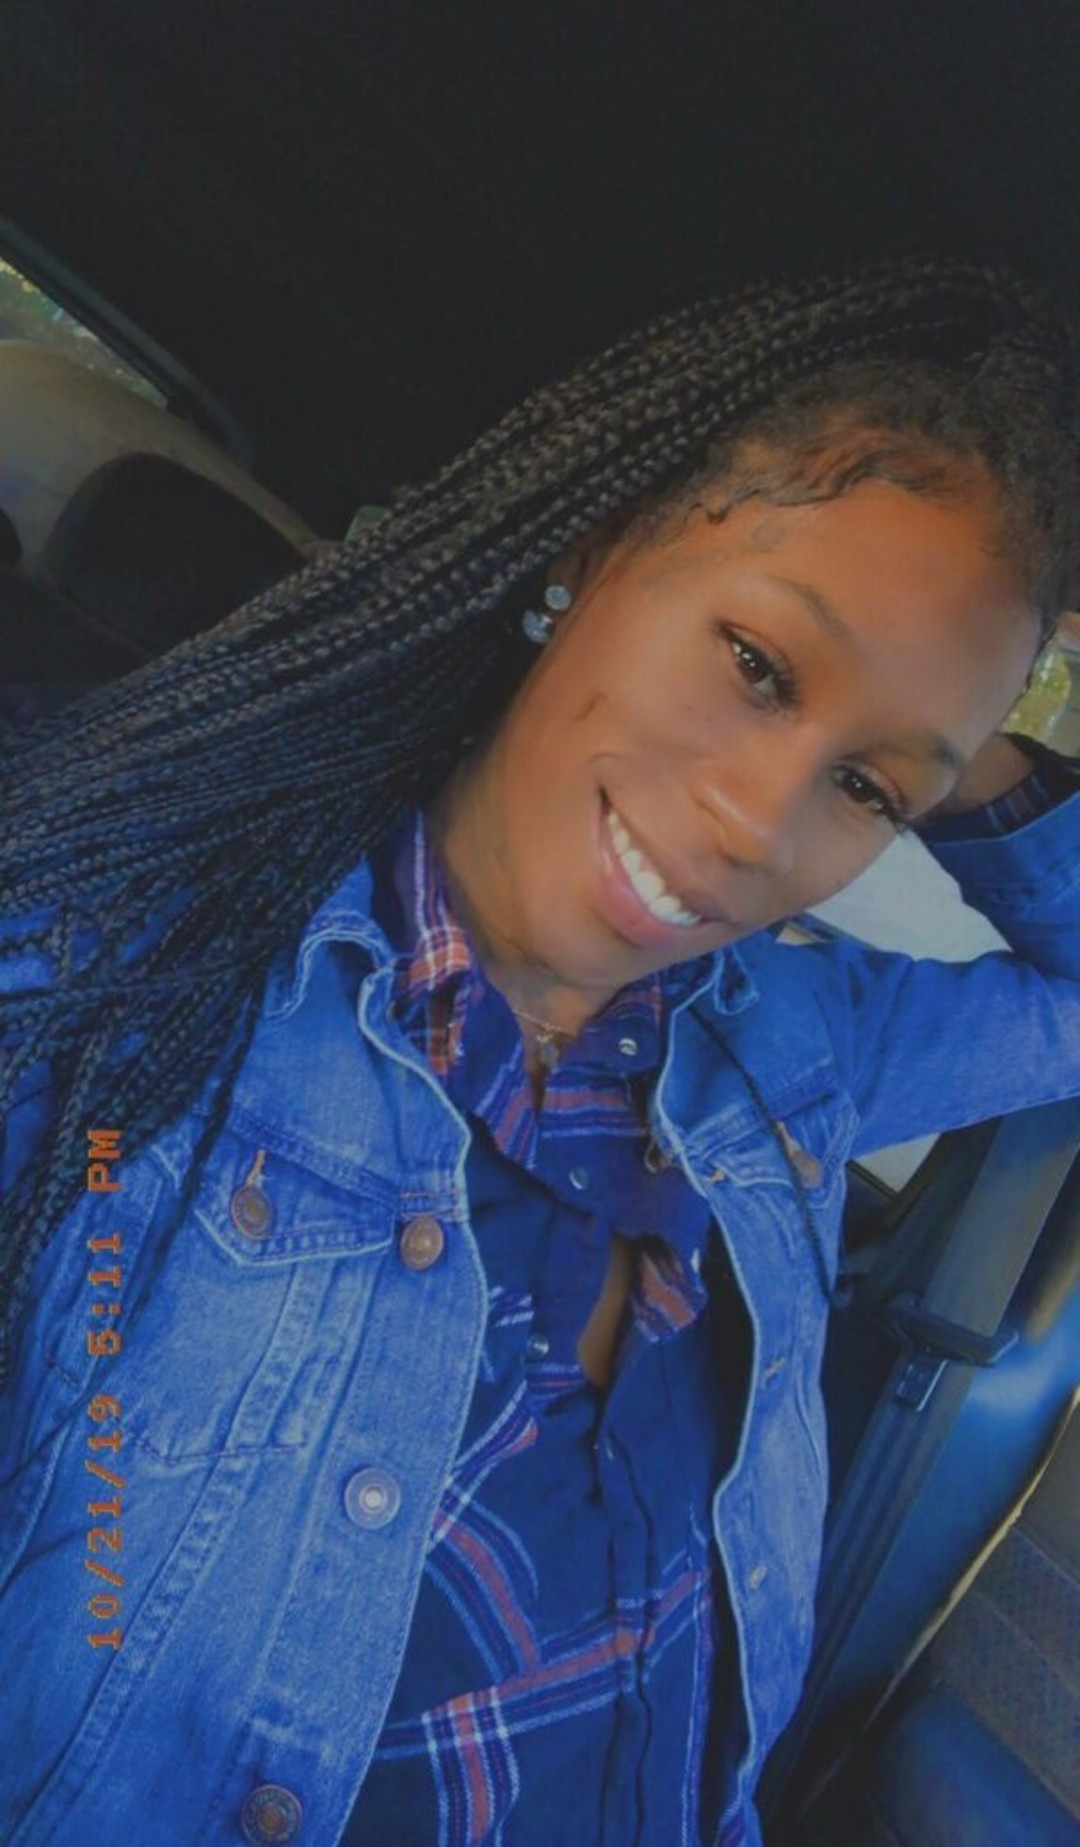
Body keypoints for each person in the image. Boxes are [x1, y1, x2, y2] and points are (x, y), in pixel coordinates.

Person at [2, 257, 1080, 1847]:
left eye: (868, 791)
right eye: (759, 663)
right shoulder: (100, 984)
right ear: (595, 542)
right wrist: (897, 706)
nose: (755, 825)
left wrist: (947, 716)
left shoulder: (789, 1048)